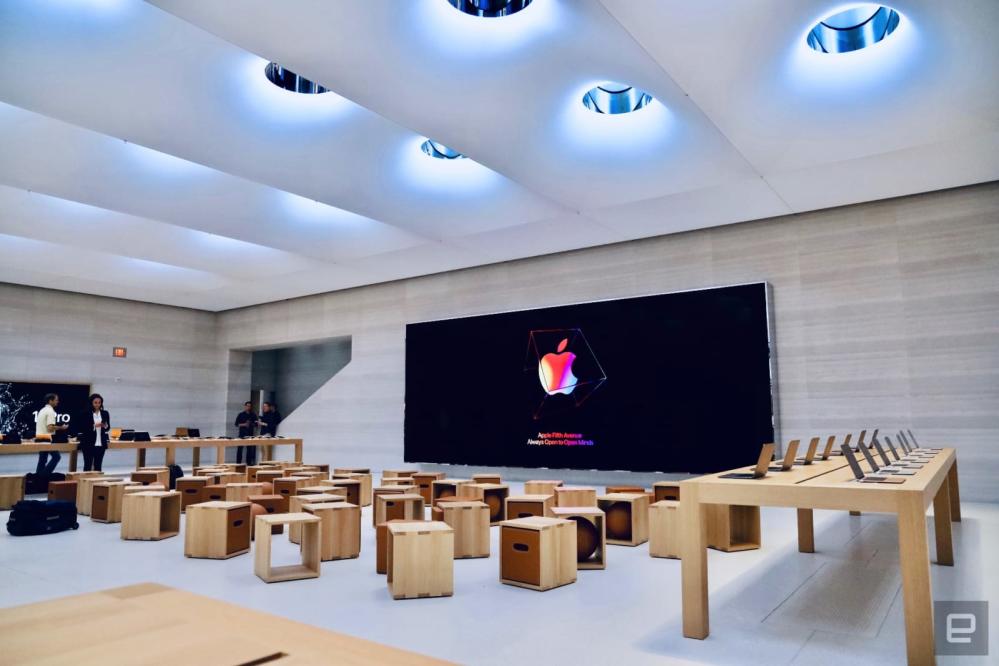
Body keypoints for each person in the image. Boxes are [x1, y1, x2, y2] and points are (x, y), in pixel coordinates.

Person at [34, 393, 66, 475]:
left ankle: (38, 478)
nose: (58, 402)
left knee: (42, 460)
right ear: (50, 401)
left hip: (39, 437)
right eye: (56, 400)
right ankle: (44, 476)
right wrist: (61, 428)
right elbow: (50, 427)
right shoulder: (50, 411)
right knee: (56, 457)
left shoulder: (42, 410)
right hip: (46, 438)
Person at [79, 393, 110, 472]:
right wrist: (94, 426)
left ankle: (97, 483)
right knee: (87, 465)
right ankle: (85, 483)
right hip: (88, 443)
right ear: (91, 403)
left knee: (98, 466)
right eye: (95, 402)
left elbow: (107, 428)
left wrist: (105, 426)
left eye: (99, 403)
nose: (97, 404)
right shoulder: (85, 413)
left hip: (100, 443)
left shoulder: (105, 413)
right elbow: (82, 428)